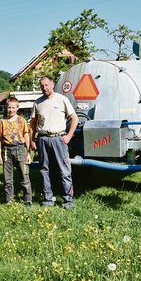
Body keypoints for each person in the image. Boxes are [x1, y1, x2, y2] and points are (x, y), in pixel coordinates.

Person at [30, 76, 78, 209]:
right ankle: (48, 198)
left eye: (46, 85)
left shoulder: (62, 99)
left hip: (59, 139)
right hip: (43, 139)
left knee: (64, 170)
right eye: (42, 86)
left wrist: (69, 136)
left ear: (52, 85)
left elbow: (74, 118)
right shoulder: (38, 102)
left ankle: (68, 200)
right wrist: (32, 140)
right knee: (44, 170)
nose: (44, 88)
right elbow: (33, 123)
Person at [0, 97, 32, 205]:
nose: (11, 110)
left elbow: (26, 135)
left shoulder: (21, 120)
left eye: (13, 107)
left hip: (20, 149)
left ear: (17, 108)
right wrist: (0, 156)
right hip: (6, 151)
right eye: (9, 108)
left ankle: (27, 199)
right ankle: (8, 200)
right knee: (7, 179)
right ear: (6, 108)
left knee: (24, 176)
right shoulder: (2, 122)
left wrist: (28, 153)